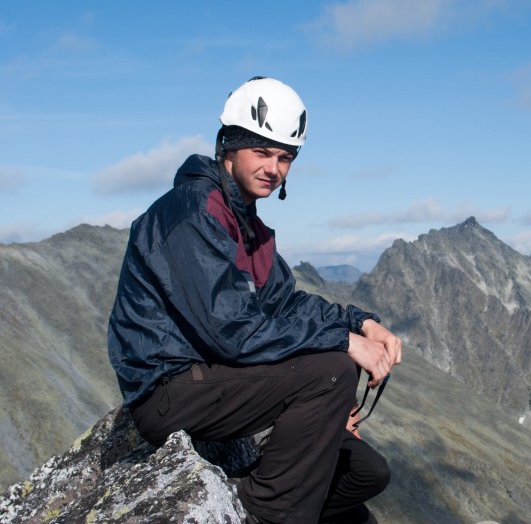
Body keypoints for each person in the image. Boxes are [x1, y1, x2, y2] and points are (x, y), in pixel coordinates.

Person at [107, 76, 401, 524]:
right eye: (261, 152)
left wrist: (361, 323)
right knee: (331, 371)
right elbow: (232, 332)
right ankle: (266, 513)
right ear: (229, 147)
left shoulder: (247, 226)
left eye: (285, 157)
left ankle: (280, 492)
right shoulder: (194, 211)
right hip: (168, 390)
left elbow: (286, 305)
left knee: (365, 474)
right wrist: (342, 345)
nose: (274, 168)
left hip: (213, 377)